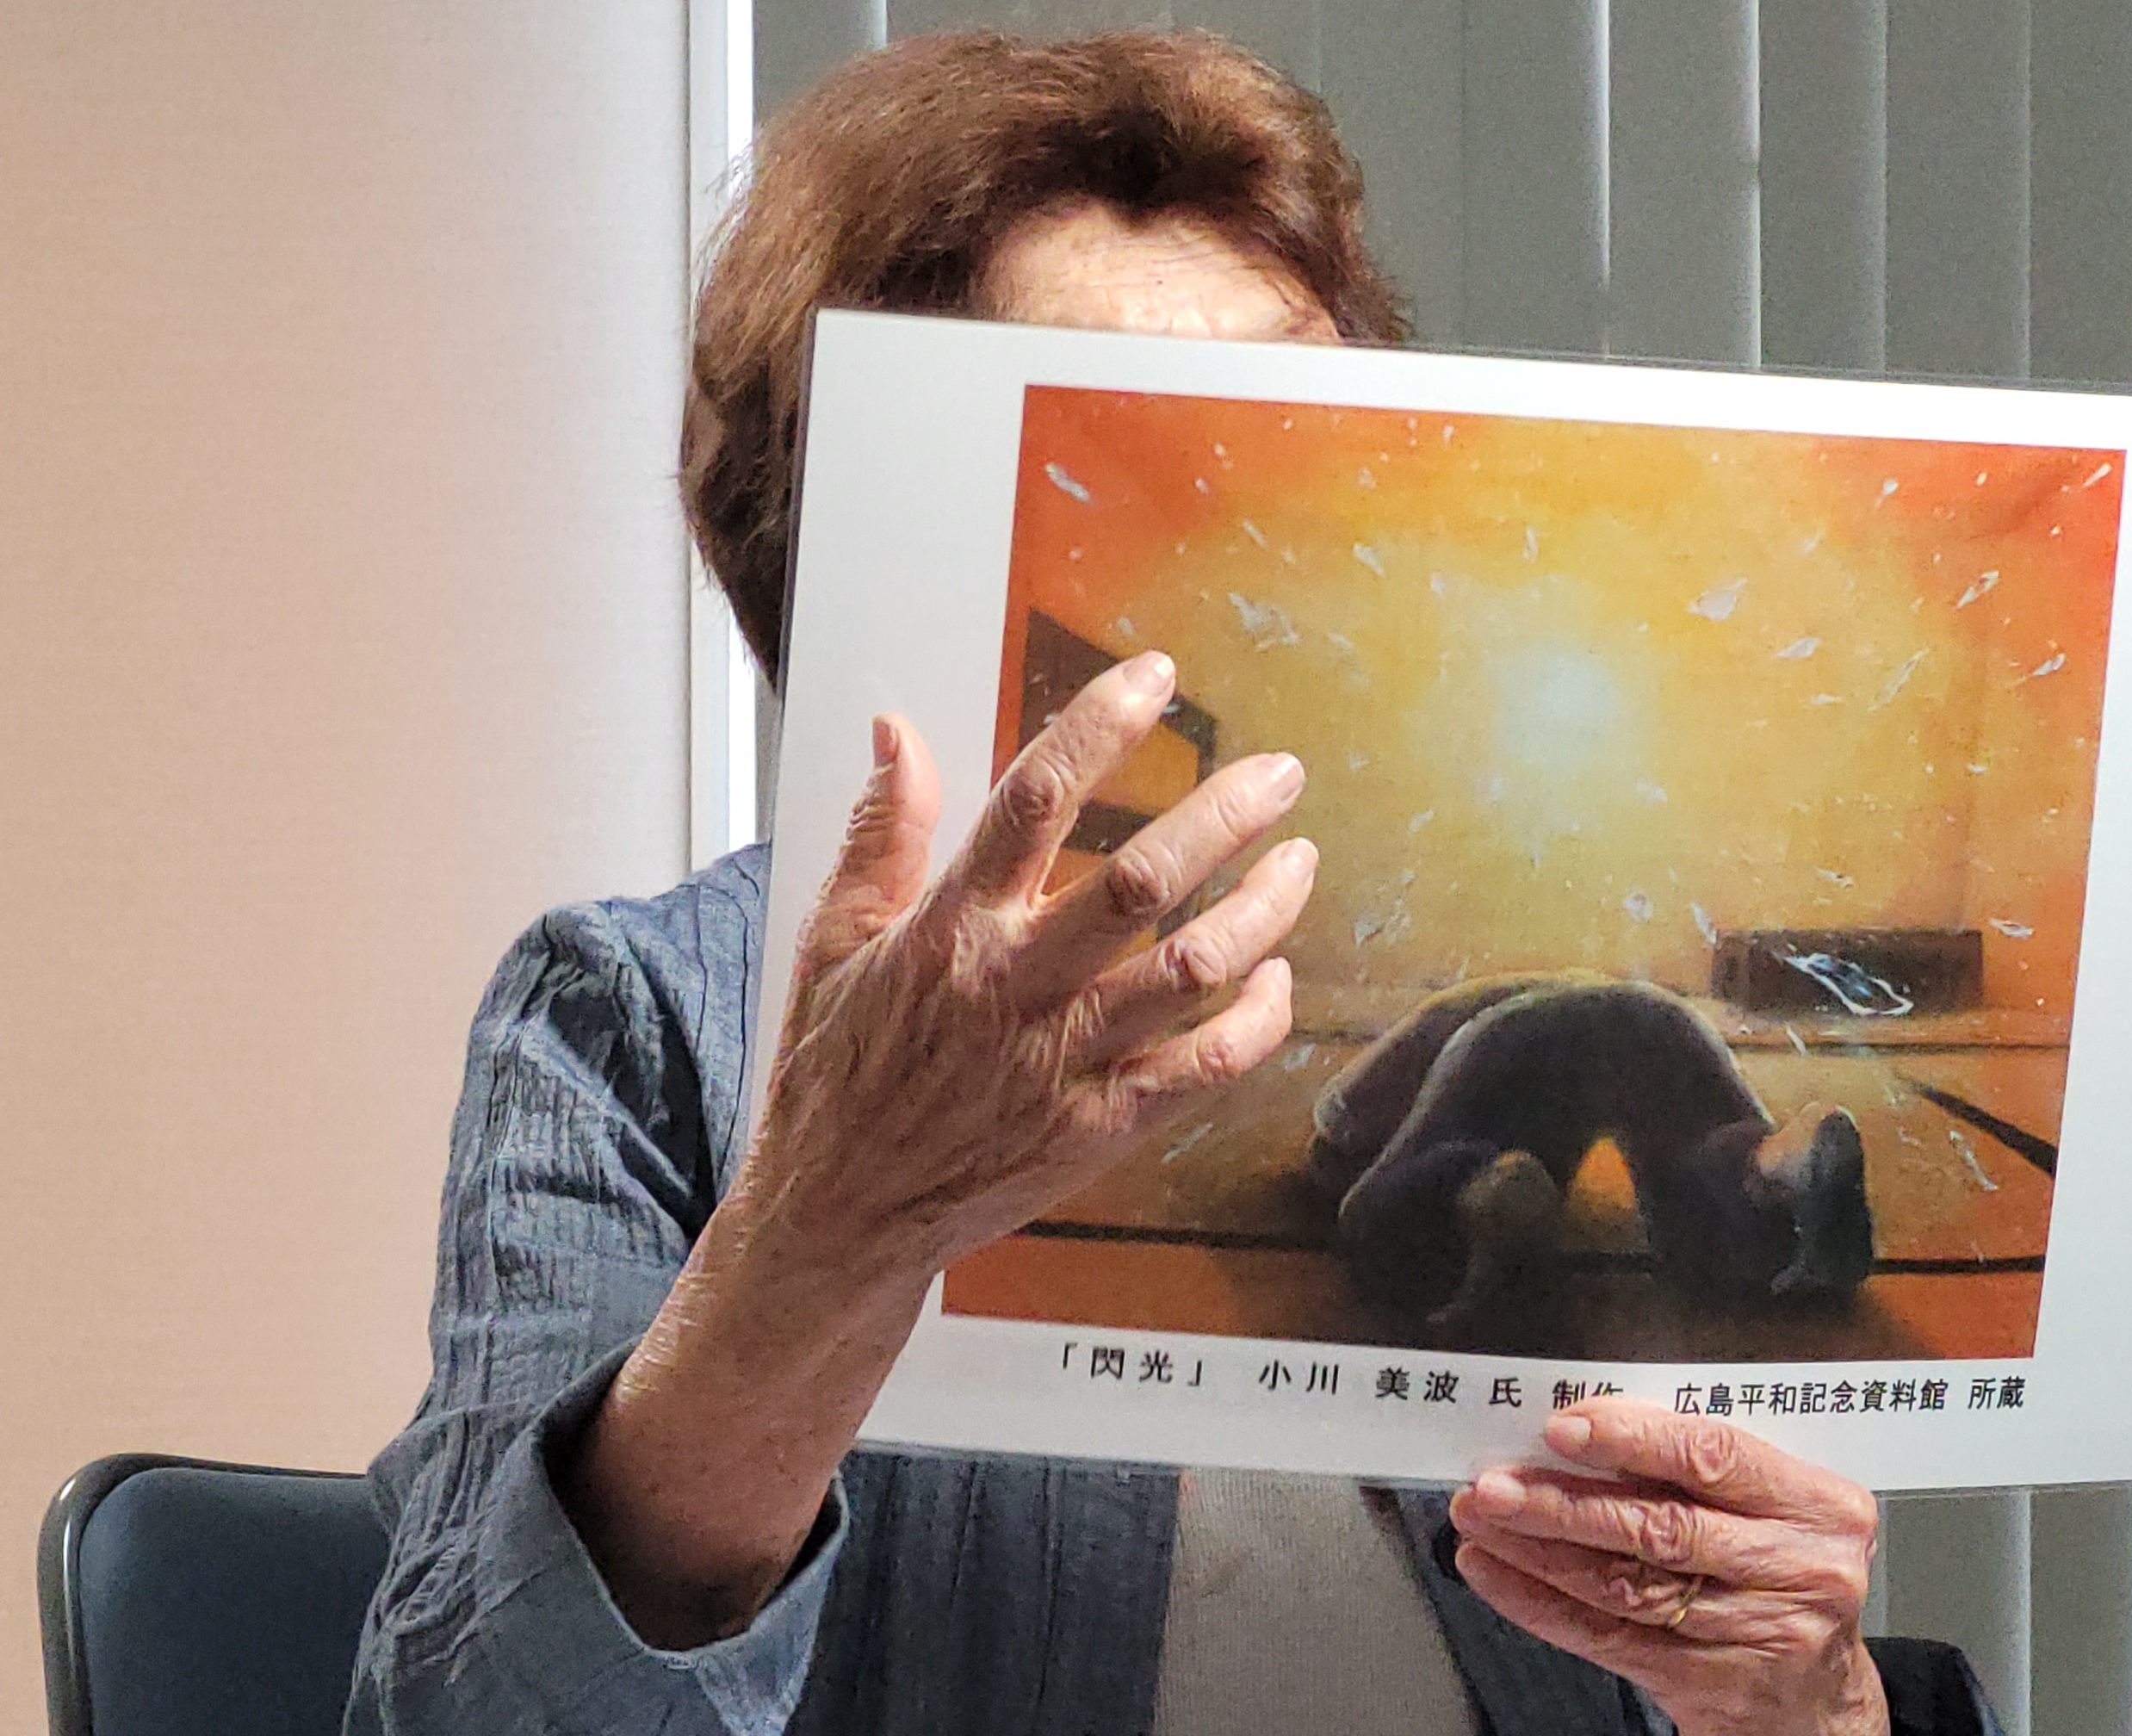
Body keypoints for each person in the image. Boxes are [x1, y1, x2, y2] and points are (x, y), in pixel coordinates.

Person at [345, 30, 2003, 1736]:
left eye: (1309, 424)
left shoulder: (1456, 945)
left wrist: (1811, 1702)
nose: (1250, 518)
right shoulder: (643, 1025)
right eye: (1132, 449)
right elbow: (472, 1709)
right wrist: (829, 1238)